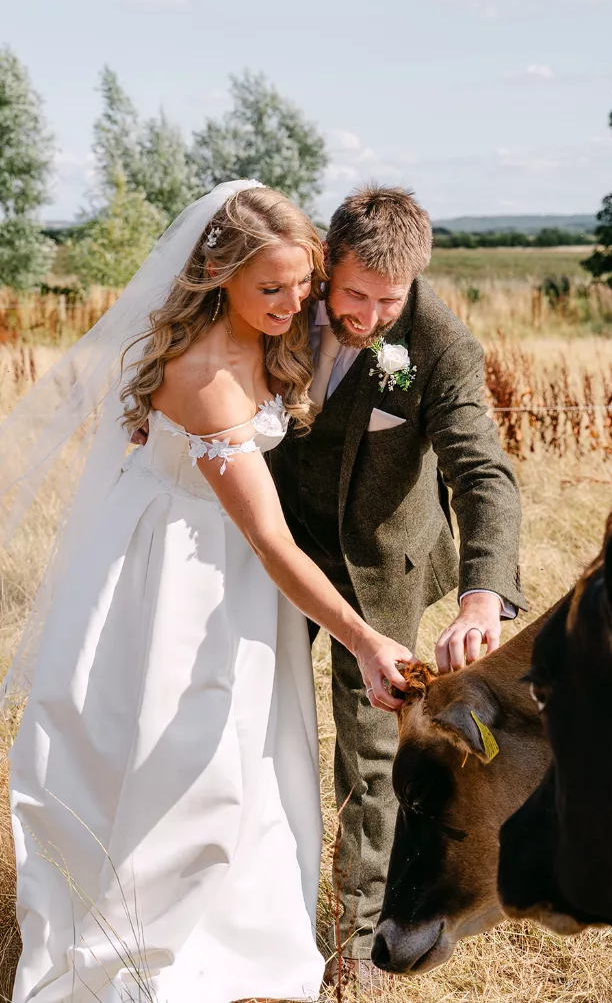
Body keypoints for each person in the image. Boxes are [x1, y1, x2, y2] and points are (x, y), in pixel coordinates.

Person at [1, 182, 412, 1003]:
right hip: (180, 572)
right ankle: (149, 938)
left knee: (248, 747)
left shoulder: (274, 326)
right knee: (186, 749)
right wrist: (365, 639)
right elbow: (270, 539)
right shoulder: (207, 376)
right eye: (272, 287)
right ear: (219, 275)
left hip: (225, 557)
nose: (294, 303)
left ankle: (240, 918)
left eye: (304, 282)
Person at [268, 184, 526, 991]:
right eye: (354, 295)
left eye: (390, 301)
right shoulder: (277, 299)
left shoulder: (440, 345)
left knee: (372, 758)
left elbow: (482, 473)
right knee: (245, 717)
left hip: (382, 570)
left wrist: (482, 595)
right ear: (326, 264)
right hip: (271, 552)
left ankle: (356, 943)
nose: (371, 316)